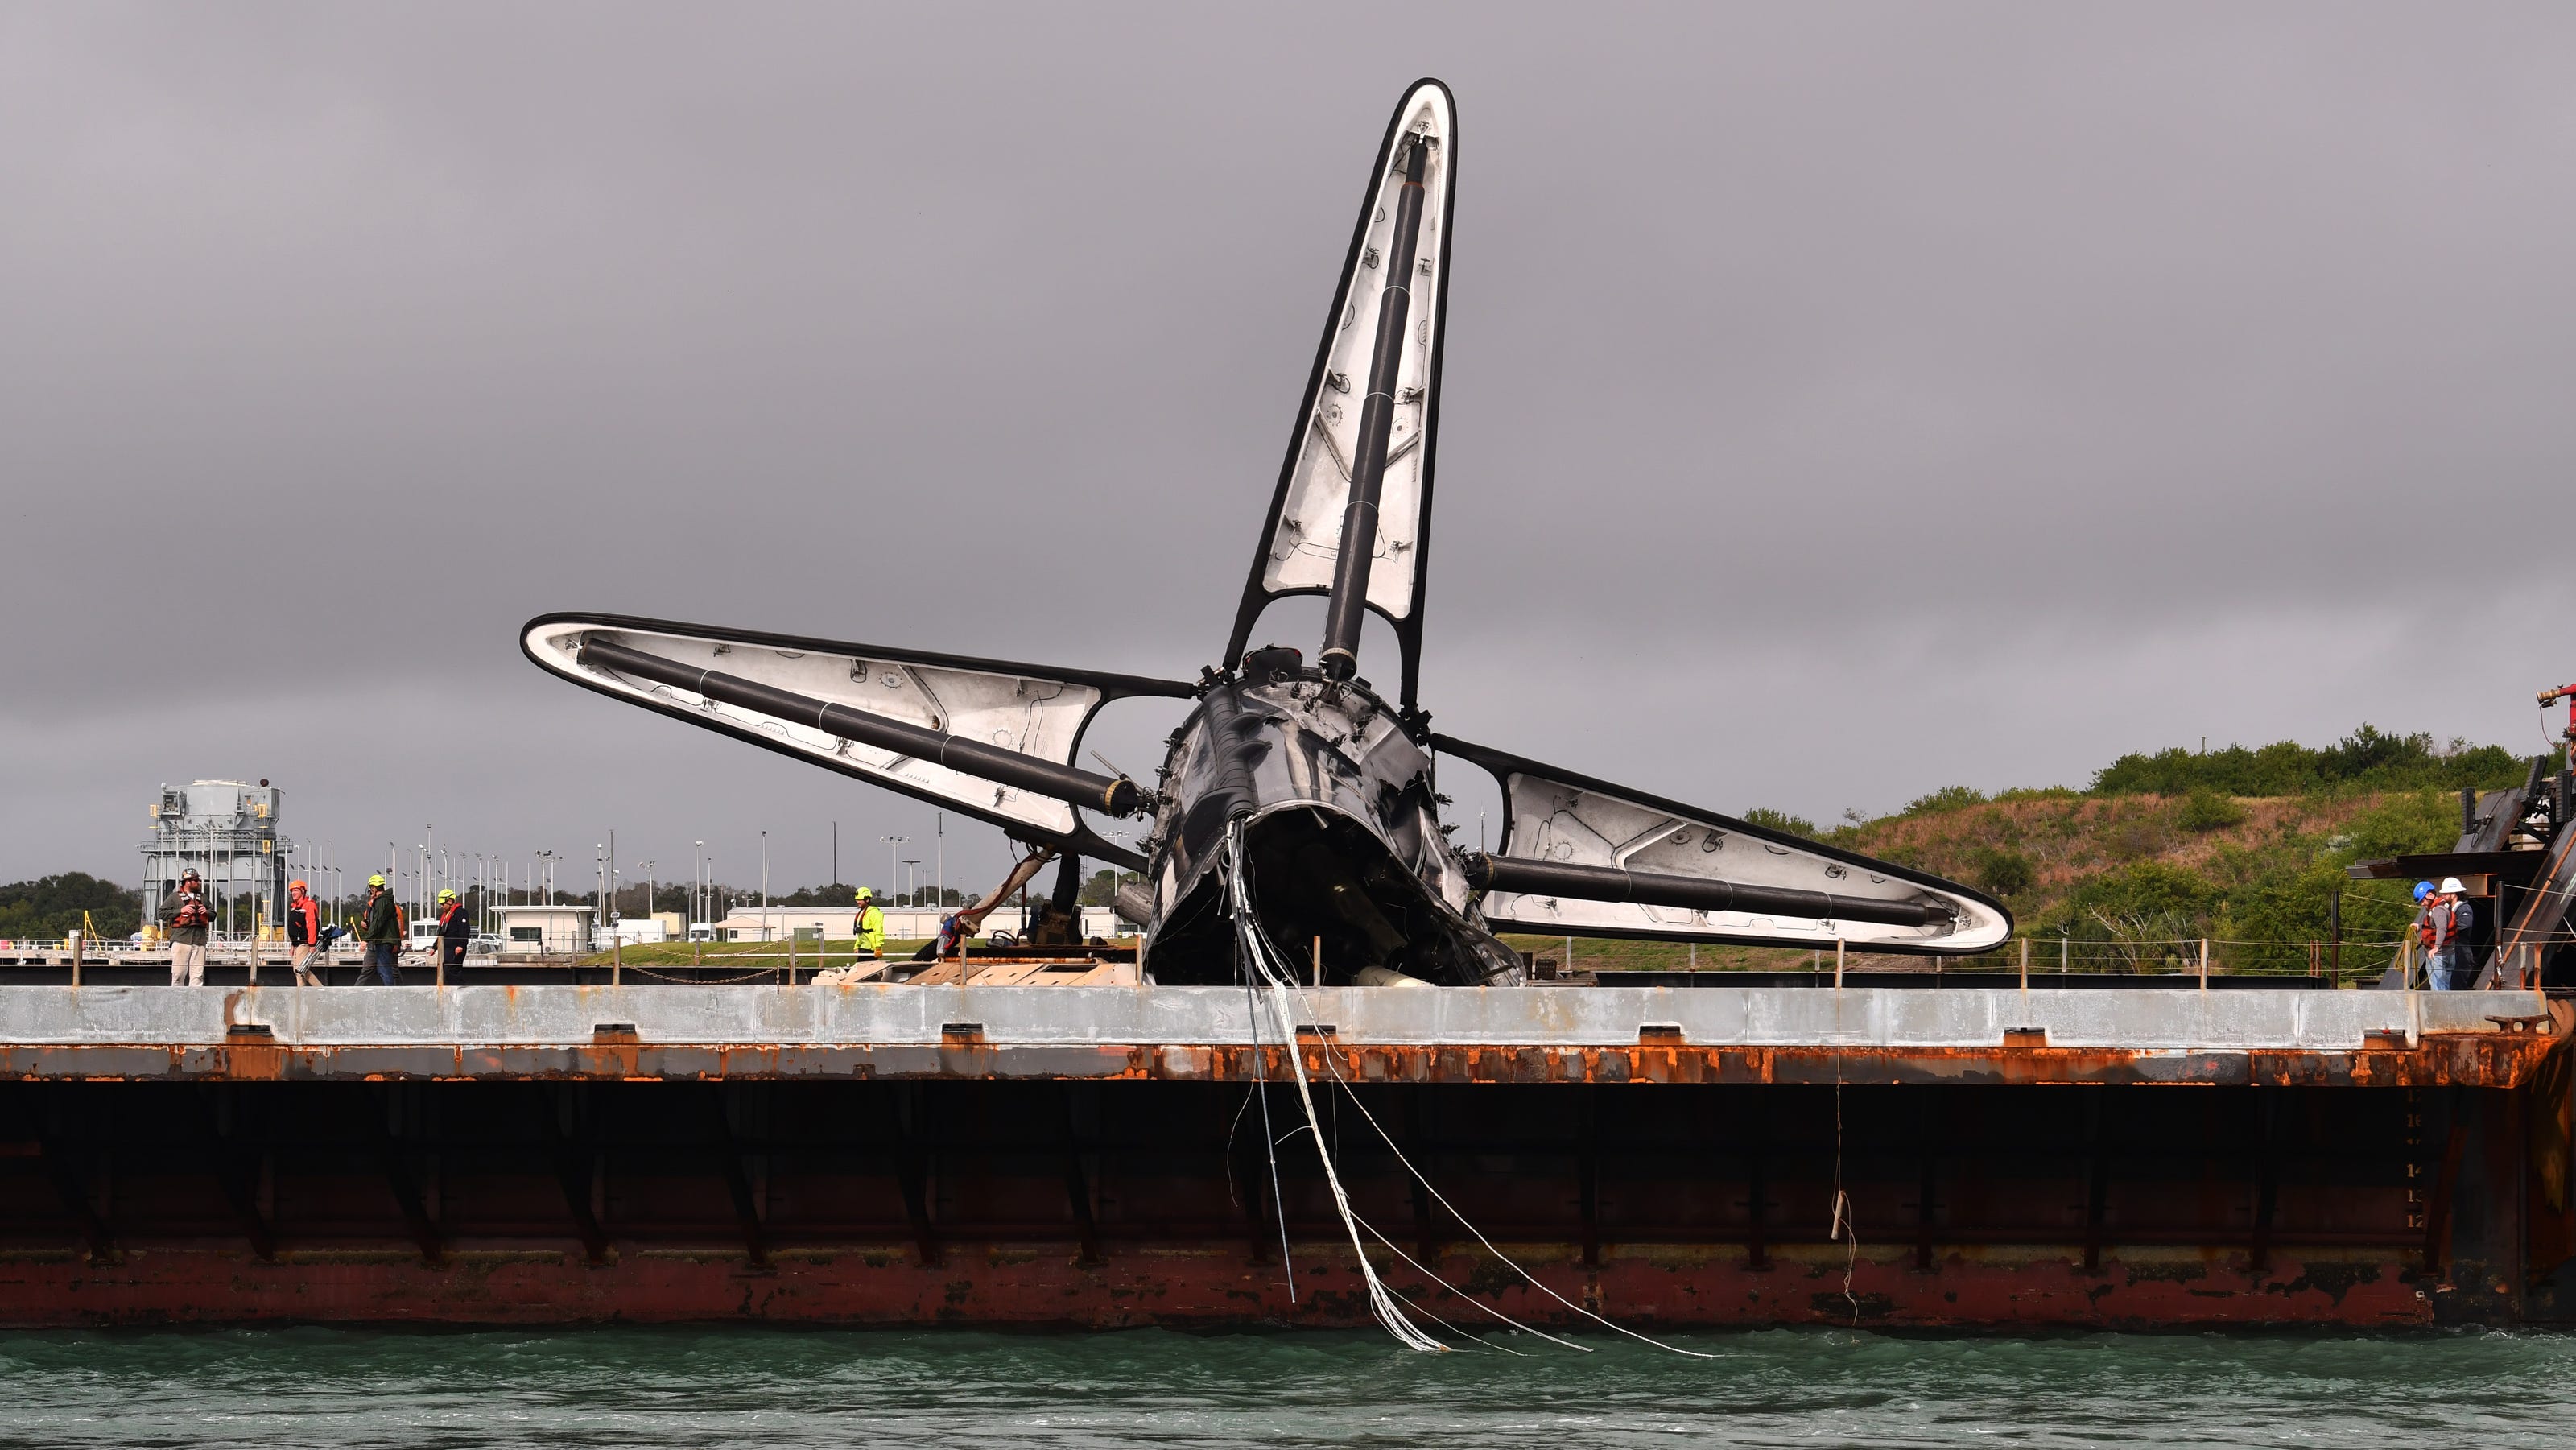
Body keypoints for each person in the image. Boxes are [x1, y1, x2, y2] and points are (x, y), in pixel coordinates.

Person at [2421, 876, 2477, 991]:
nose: (2443, 896)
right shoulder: (2448, 908)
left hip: (2461, 952)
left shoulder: (2464, 908)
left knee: (2455, 987)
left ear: (2454, 894)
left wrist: (2443, 928)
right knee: (2448, 986)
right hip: (2452, 950)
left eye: (2446, 894)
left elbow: (2465, 924)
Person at [159, 868, 213, 986]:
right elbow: (161, 913)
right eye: (196, 880)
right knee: (178, 974)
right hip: (181, 940)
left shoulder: (203, 898)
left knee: (198, 976)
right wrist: (180, 910)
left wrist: (207, 912)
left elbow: (213, 914)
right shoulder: (174, 897)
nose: (199, 882)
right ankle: (177, 1001)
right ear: (187, 882)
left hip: (199, 941)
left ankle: (194, 1001)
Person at [359, 873, 404, 986]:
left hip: (384, 941)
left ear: (374, 888)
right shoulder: (384, 902)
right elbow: (378, 922)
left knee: (385, 970)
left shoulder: (381, 902)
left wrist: (366, 939)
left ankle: (390, 994)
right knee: (383, 970)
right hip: (381, 940)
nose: (370, 892)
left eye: (370, 890)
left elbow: (378, 922)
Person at [285, 879, 329, 986]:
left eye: (296, 890)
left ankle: (321, 990)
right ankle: (302, 994)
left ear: (303, 891)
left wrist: (312, 943)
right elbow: (295, 927)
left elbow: (312, 924)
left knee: (300, 969)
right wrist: (293, 944)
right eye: (292, 891)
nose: (293, 893)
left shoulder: (308, 905)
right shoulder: (295, 907)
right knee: (298, 970)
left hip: (305, 942)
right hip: (297, 943)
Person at [435, 888, 469, 978]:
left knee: (453, 971)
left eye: (443, 904)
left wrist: (461, 945)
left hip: (455, 949)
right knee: (447, 972)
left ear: (450, 901)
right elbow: (442, 933)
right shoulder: (447, 915)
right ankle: (449, 990)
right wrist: (434, 947)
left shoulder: (460, 913)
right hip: (446, 949)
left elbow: (464, 930)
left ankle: (458, 990)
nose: (441, 906)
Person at [852, 887, 886, 958]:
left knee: (861, 968)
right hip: (863, 948)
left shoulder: (875, 913)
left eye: (859, 900)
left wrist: (878, 947)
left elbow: (879, 930)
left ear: (867, 899)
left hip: (871, 949)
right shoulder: (862, 912)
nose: (857, 902)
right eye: (857, 900)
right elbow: (861, 932)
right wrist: (857, 946)